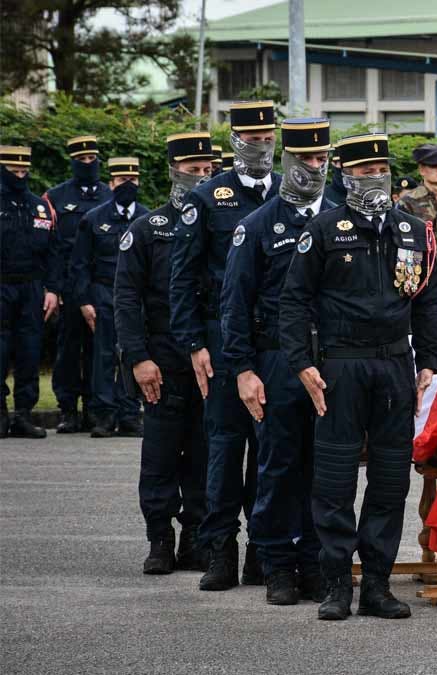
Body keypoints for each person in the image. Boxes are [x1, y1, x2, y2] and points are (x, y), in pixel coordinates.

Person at [279, 132, 437, 621]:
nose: (374, 178)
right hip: (341, 366)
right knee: (333, 478)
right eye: (363, 172)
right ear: (345, 177)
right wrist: (302, 363)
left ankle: (377, 583)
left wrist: (429, 361)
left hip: (396, 365)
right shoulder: (325, 230)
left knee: (391, 479)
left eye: (380, 171)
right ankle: (336, 585)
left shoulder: (415, 230)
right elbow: (294, 300)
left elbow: (428, 303)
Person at [221, 117, 335, 606]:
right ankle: (275, 563)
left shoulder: (337, 218)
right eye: (306, 158)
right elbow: (235, 304)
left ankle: (313, 561)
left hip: (328, 362)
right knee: (278, 465)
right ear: (287, 161)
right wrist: (244, 370)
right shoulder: (257, 226)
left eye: (322, 158)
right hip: (274, 361)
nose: (315, 166)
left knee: (324, 468)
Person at [171, 100, 280, 591]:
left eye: (267, 138)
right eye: (251, 139)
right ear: (235, 142)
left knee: (270, 449)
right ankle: (220, 550)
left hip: (273, 342)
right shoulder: (208, 197)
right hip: (219, 337)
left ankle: (263, 548)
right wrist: (194, 343)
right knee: (223, 447)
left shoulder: (286, 193)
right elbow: (183, 278)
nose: (261, 147)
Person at [115, 132, 214, 574]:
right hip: (161, 359)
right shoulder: (148, 229)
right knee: (159, 453)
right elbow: (126, 300)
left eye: (207, 170)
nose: (201, 177)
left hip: (207, 360)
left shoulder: (221, 226)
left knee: (203, 452)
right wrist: (138, 358)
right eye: (192, 170)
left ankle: (194, 536)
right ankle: (160, 539)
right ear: (173, 171)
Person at [72, 157, 149, 437]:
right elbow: (79, 264)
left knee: (132, 353)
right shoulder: (93, 218)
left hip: (136, 297)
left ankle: (129, 413)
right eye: (121, 181)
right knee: (103, 356)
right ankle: (103, 416)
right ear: (111, 183)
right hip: (103, 292)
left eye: (133, 181)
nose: (127, 185)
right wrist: (84, 300)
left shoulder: (146, 218)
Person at [44, 135, 111, 434]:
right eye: (82, 160)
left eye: (92, 159)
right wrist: (53, 289)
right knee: (69, 349)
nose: (88, 164)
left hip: (100, 284)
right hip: (71, 286)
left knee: (101, 350)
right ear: (72, 161)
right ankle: (68, 409)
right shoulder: (56, 197)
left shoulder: (110, 196)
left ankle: (98, 410)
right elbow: (53, 249)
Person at [0, 145, 60, 439]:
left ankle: (23, 414)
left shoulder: (40, 206)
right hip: (1, 285)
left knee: (29, 351)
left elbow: (53, 252)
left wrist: (52, 290)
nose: (20, 177)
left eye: (25, 171)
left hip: (32, 288)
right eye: (14, 172)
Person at [399, 144, 437, 334]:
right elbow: (403, 247)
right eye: (434, 165)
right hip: (421, 282)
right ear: (422, 170)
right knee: (422, 335)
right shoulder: (408, 202)